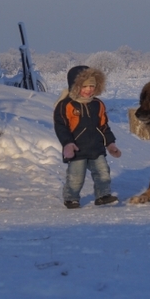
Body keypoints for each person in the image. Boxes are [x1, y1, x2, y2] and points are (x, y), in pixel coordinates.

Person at [53, 65, 121, 209]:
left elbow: (104, 126)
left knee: (103, 173)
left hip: (96, 148)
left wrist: (110, 144)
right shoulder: (66, 105)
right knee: (75, 177)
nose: (89, 89)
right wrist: (68, 144)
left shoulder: (97, 104)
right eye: (84, 86)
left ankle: (103, 195)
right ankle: (71, 198)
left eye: (92, 86)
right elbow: (61, 127)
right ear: (75, 86)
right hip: (77, 149)